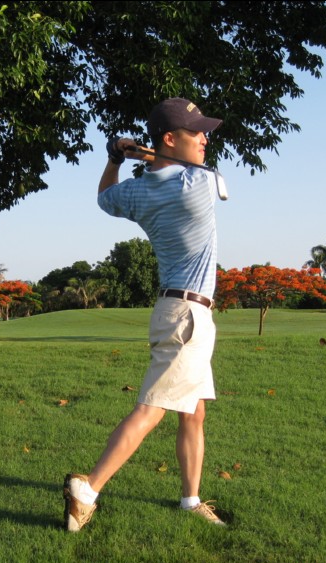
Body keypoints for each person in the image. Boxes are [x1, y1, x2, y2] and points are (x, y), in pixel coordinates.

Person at [63, 97, 226, 532]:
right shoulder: (199, 184)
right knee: (152, 408)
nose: (206, 139)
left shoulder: (137, 191)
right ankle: (88, 488)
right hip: (188, 315)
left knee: (193, 412)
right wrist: (149, 153)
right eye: (197, 133)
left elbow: (104, 198)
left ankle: (190, 500)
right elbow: (204, 174)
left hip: (178, 310)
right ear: (171, 138)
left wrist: (118, 157)